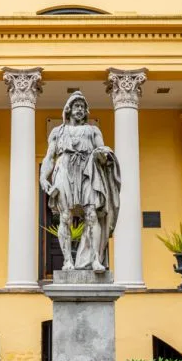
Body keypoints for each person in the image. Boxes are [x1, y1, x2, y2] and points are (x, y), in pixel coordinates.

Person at [39, 92, 121, 272]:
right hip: (65, 170)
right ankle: (67, 260)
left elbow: (102, 150)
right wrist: (43, 178)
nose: (80, 110)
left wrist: (104, 155)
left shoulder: (93, 131)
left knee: (92, 215)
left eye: (82, 107)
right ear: (68, 109)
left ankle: (95, 260)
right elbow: (49, 158)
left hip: (88, 172)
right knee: (65, 217)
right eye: (76, 106)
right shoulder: (57, 132)